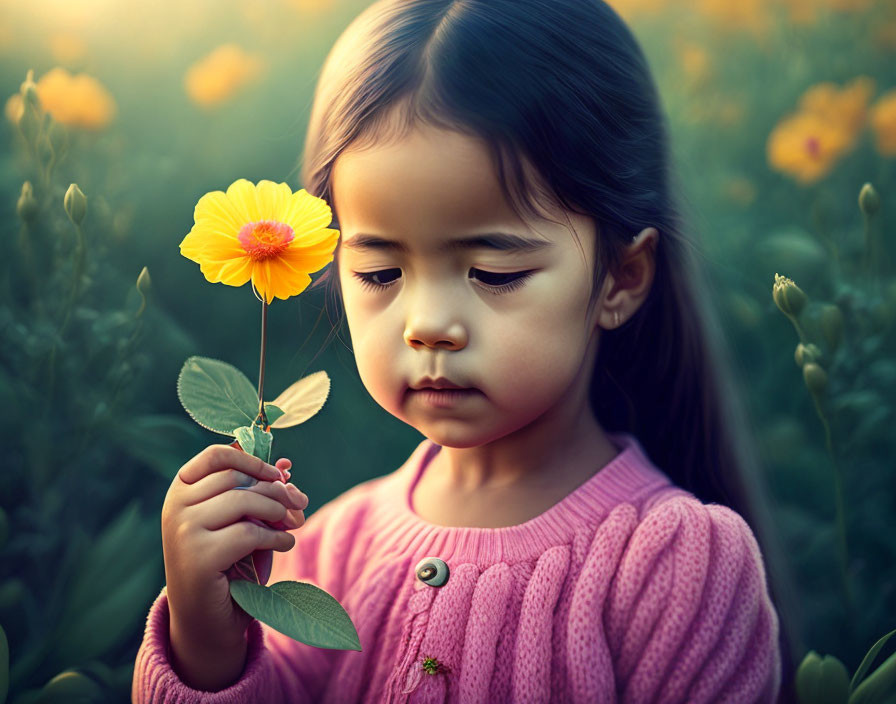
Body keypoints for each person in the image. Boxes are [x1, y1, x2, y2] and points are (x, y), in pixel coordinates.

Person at [133, 0, 804, 701]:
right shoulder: (328, 551)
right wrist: (204, 642)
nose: (427, 325)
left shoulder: (677, 566)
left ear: (620, 277)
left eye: (495, 274)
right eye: (379, 273)